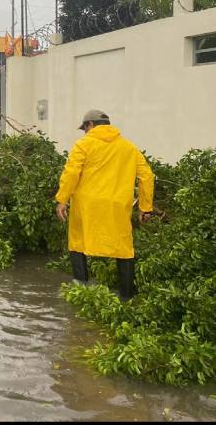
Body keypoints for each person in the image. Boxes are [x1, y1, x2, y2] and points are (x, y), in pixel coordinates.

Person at [54, 110, 155, 301]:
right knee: (124, 248)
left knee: (78, 243)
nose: (84, 132)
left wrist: (62, 199)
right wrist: (145, 207)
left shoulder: (83, 144)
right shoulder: (129, 147)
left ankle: (81, 290)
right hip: (118, 206)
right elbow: (146, 177)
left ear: (90, 125)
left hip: (86, 205)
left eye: (85, 128)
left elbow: (71, 173)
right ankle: (126, 297)